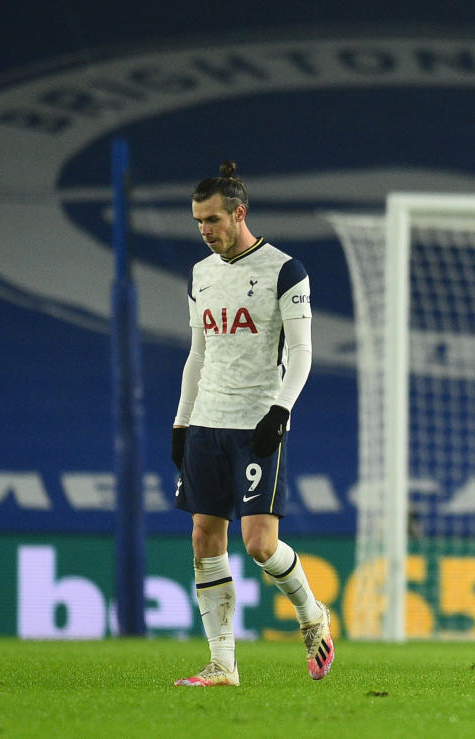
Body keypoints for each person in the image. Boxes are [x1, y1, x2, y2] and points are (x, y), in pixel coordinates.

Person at [170, 161, 333, 686]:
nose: (205, 230)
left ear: (240, 213)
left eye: (213, 220)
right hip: (206, 423)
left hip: (257, 422)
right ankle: (222, 663)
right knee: (203, 538)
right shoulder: (200, 274)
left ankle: (312, 615)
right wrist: (181, 423)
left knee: (260, 545)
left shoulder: (286, 271)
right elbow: (197, 355)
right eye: (199, 222)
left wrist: (281, 410)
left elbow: (304, 353)